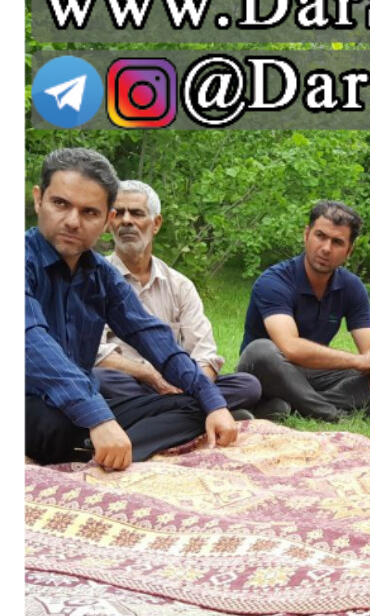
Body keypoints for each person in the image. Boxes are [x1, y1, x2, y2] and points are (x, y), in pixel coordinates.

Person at [27, 147, 240, 468]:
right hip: (27, 401)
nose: (72, 221)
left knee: (198, 404)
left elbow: (154, 338)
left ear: (106, 219)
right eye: (60, 204)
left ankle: (97, 451)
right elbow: (30, 341)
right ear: (38, 199)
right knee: (55, 422)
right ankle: (95, 444)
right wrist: (97, 417)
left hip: (79, 406)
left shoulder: (101, 276)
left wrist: (213, 403)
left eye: (89, 212)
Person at [99, 179, 261, 415]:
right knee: (99, 380)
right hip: (126, 382)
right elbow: (94, 354)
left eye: (136, 213)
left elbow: (204, 353)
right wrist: (148, 374)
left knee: (248, 385)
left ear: (156, 224)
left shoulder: (179, 285)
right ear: (108, 223)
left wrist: (195, 387)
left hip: (178, 383)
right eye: (118, 214)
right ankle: (194, 416)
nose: (126, 221)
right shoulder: (94, 279)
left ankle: (168, 415)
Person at [234, 203, 370, 421]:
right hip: (268, 373)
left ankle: (293, 408)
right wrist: (357, 361)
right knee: (260, 350)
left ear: (349, 250)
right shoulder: (274, 281)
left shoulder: (352, 287)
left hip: (313, 374)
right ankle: (334, 414)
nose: (326, 248)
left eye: (337, 242)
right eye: (320, 236)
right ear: (306, 235)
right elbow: (291, 347)